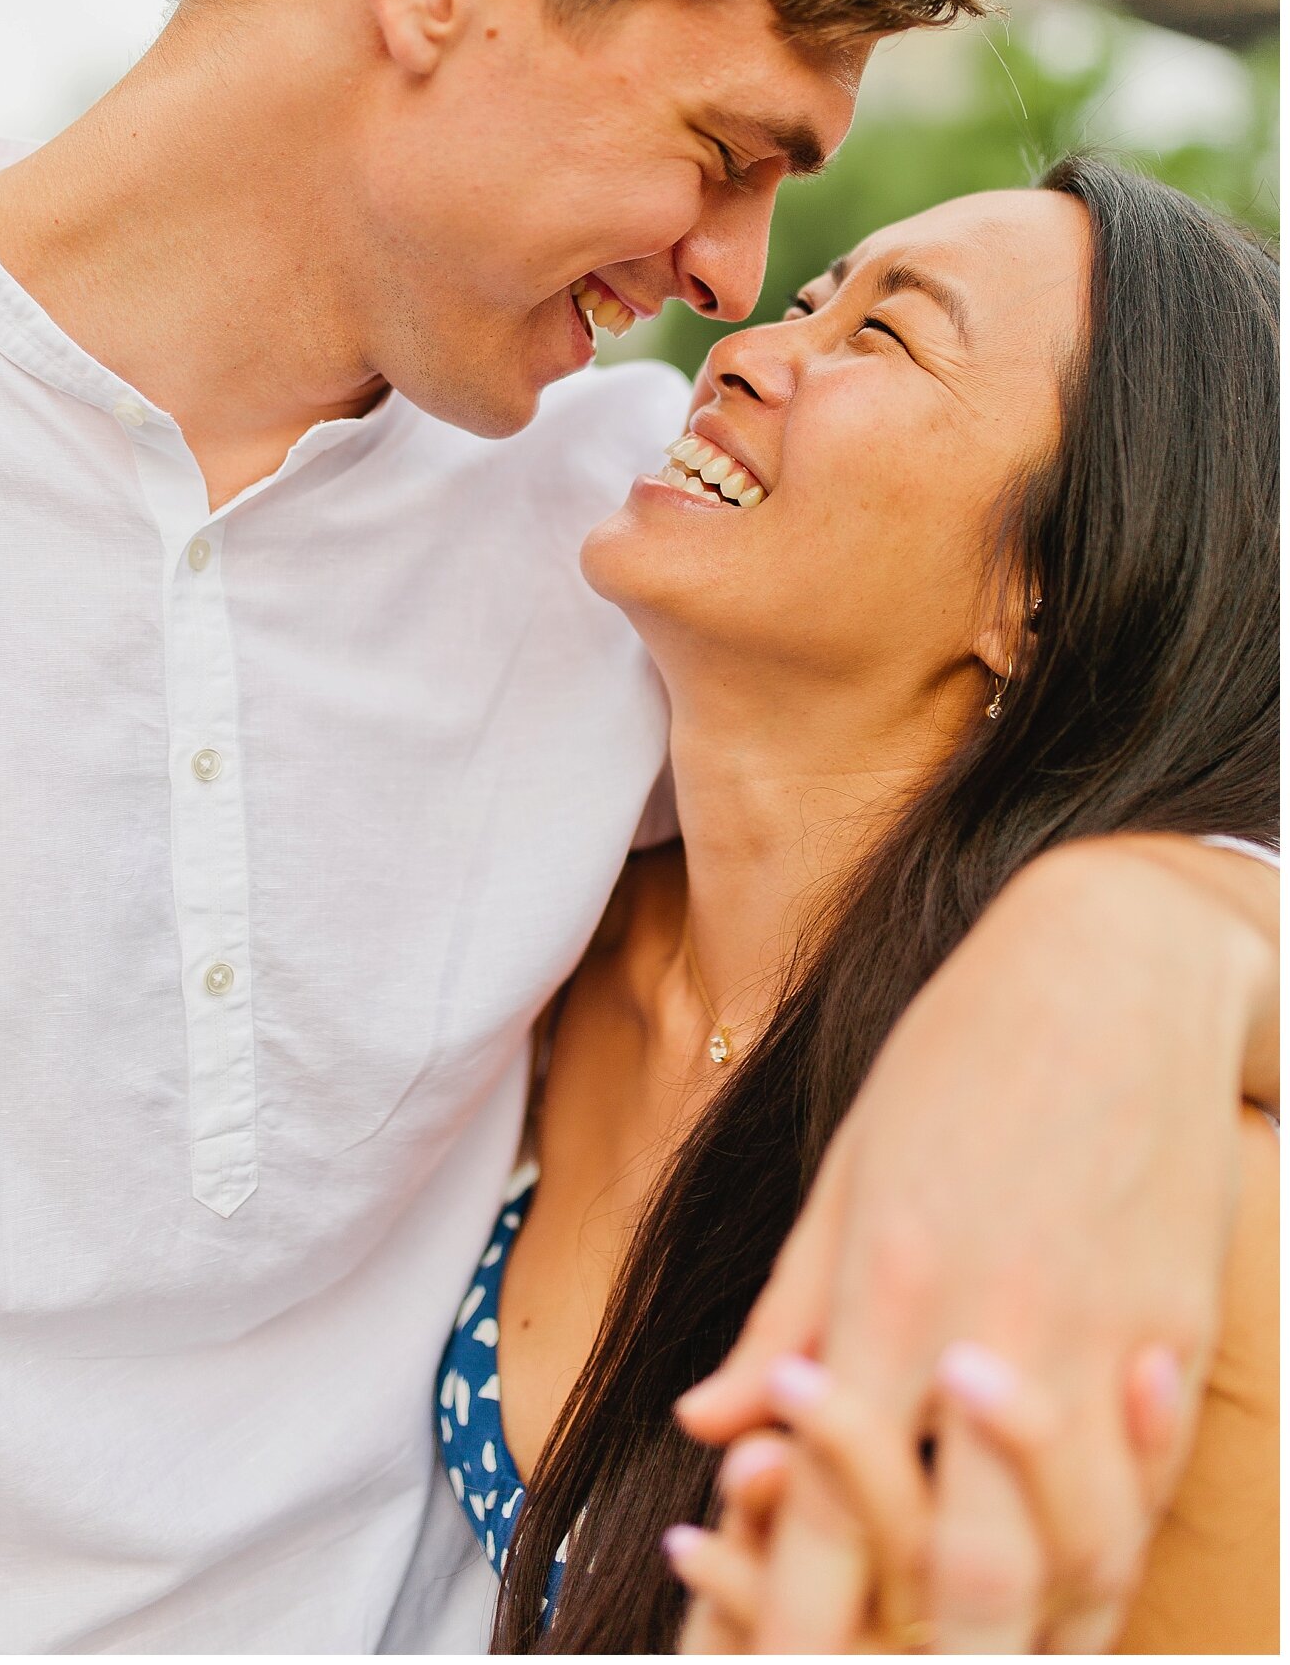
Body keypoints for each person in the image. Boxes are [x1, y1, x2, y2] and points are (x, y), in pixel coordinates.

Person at [0, 0, 1277, 1658]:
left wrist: (1121, 948)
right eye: (723, 149)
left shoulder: (617, 534)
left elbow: (1095, 716)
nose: (723, 278)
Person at [434, 165, 1277, 1655]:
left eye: (885, 340)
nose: (750, 343)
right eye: (819, 297)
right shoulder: (538, 946)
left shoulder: (1143, 1182)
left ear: (1046, 594)